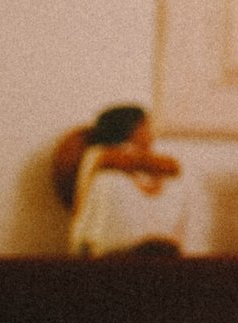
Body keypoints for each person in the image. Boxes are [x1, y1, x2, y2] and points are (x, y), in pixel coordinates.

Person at [68, 103, 189, 257]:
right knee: (111, 183)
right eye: (146, 126)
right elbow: (164, 165)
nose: (151, 133)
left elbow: (173, 166)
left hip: (157, 254)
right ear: (132, 130)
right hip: (111, 256)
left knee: (176, 188)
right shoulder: (101, 161)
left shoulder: (151, 169)